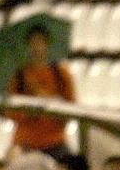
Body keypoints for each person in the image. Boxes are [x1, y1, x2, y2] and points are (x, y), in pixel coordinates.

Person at [5, 24, 77, 161]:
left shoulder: (61, 74)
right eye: (33, 43)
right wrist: (29, 112)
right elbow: (9, 109)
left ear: (47, 45)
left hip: (55, 142)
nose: (37, 48)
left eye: (40, 43)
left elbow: (72, 108)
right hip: (25, 142)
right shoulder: (19, 75)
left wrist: (51, 103)